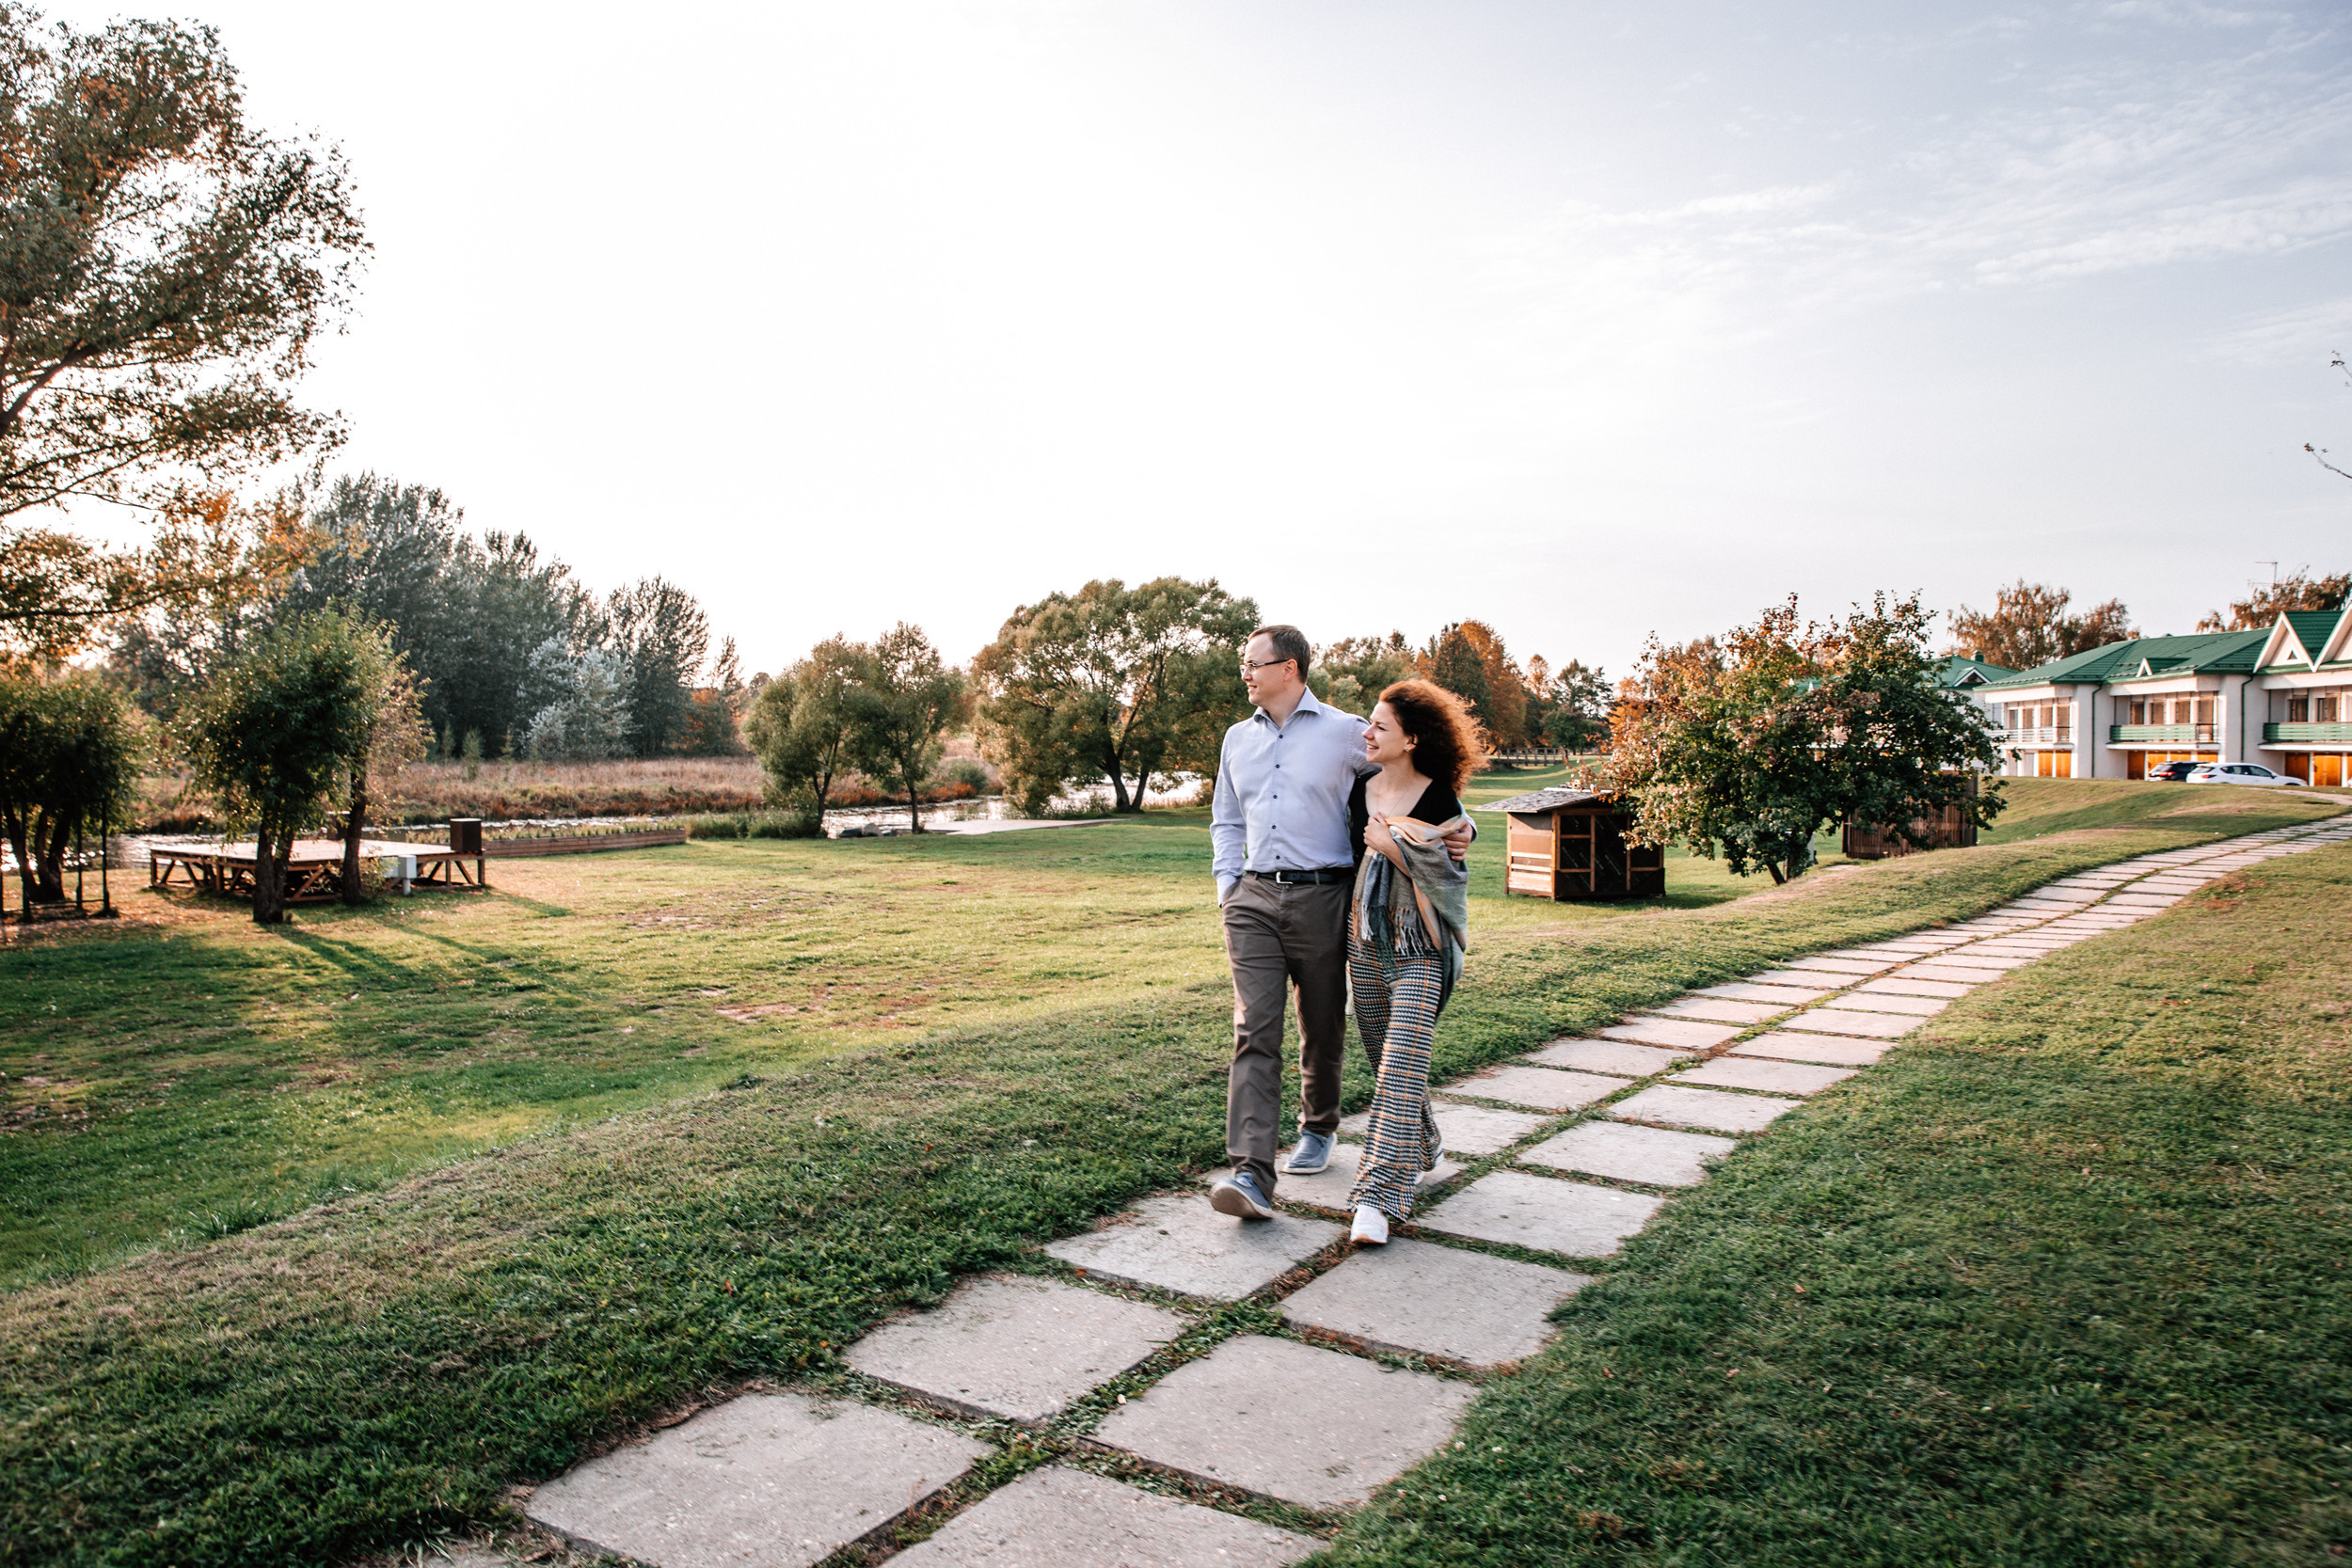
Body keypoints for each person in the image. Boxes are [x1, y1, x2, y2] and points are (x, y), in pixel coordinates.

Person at [1207, 627, 1470, 1221]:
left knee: (1321, 1020)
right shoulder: (1235, 739)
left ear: (1290, 668)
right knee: (1255, 1028)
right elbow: (1225, 818)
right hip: (1251, 897)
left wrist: (1461, 829)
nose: (1245, 673)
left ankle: (1320, 1125)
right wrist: (1229, 886)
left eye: (1254, 663)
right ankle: (1250, 1174)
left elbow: (1417, 776)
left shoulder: (1348, 732)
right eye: (1242, 663)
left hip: (1327, 896)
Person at [1343, 679, 1479, 1246]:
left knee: (1402, 1062)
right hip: (1365, 942)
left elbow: (1452, 880)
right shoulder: (1360, 791)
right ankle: (1422, 1144)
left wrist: (1394, 845)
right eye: (1369, 723)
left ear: (1412, 739)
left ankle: (1378, 1198)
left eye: (1380, 726)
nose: (1367, 733)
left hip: (1421, 945)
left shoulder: (1439, 797)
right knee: (1384, 1057)